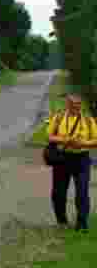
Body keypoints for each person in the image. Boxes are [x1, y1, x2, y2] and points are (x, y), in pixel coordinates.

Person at [47, 94, 96, 231]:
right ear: (67, 105)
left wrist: (83, 143)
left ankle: (82, 222)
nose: (76, 107)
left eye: (78, 105)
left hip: (82, 159)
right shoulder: (58, 118)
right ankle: (62, 220)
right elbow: (50, 136)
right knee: (59, 192)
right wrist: (65, 140)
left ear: (81, 105)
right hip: (62, 159)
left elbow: (95, 140)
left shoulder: (88, 120)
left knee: (82, 192)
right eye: (73, 105)